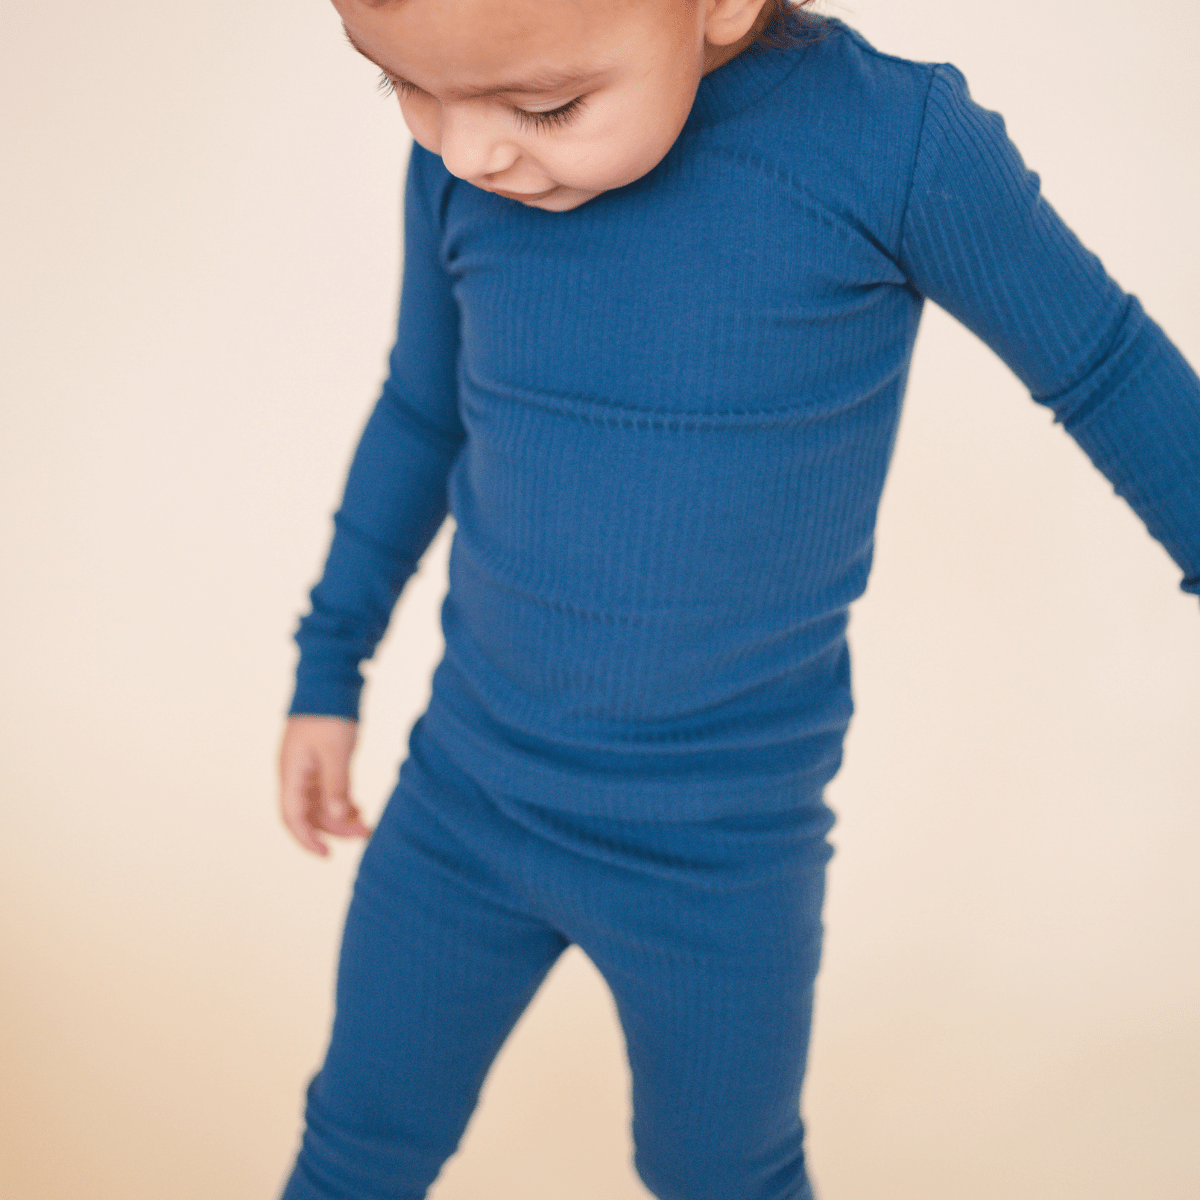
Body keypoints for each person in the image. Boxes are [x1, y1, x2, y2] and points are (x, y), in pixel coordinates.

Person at [275, 0, 1200, 1196]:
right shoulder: (463, 162)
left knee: (725, 1176)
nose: (467, 152)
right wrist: (328, 662)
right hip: (462, 805)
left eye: (544, 106)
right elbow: (421, 411)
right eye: (402, 87)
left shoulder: (893, 146)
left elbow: (1109, 370)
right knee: (354, 1146)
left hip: (719, 860)